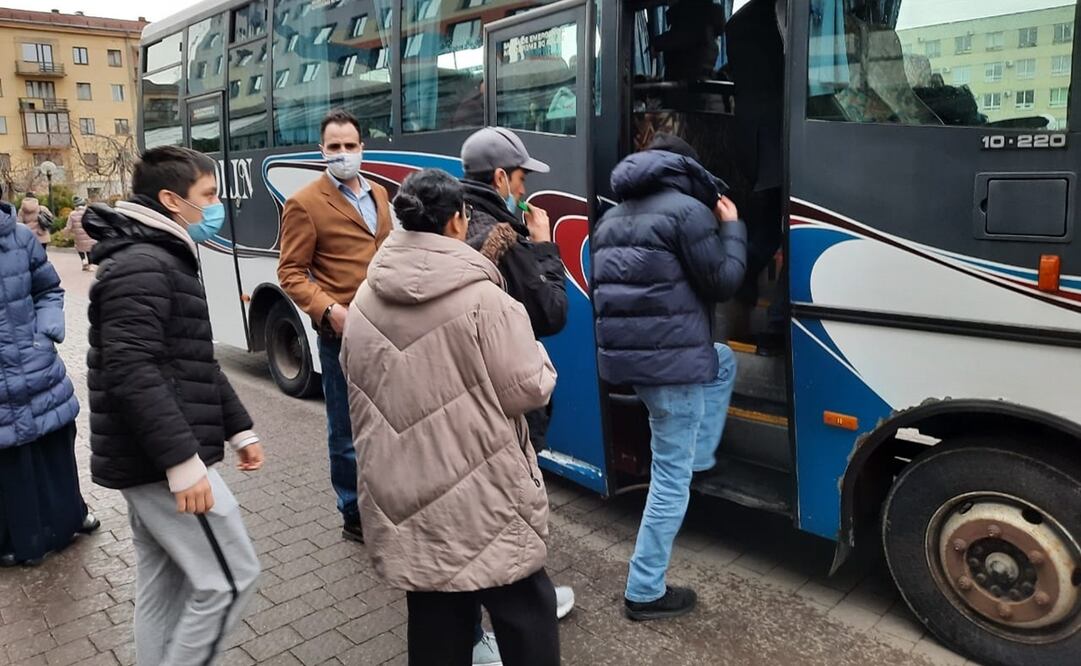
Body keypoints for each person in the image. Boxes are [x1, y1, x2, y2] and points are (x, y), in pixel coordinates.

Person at [341, 169, 559, 666]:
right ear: (459, 221)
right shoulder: (487, 300)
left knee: (436, 616)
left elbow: (356, 377)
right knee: (526, 610)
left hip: (403, 491)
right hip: (482, 492)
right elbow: (528, 388)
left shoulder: (364, 299)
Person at [83, 146, 264, 664]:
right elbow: (131, 370)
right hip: (164, 463)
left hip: (155, 459)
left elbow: (191, 360)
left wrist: (240, 429)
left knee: (165, 587)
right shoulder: (145, 265)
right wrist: (183, 464)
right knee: (230, 578)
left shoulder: (157, 257)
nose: (215, 207)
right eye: (207, 197)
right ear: (170, 199)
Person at [592, 134, 746, 621]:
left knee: (722, 359)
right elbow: (723, 281)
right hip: (672, 372)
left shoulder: (611, 218)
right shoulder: (688, 212)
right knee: (669, 480)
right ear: (685, 169)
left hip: (635, 365)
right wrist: (733, 227)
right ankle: (644, 590)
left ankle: (699, 454)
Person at [459, 127, 575, 664]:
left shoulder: (453, 224)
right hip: (501, 403)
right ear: (501, 178)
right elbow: (550, 312)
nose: (524, 188)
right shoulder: (502, 236)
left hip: (462, 401)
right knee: (510, 514)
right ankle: (516, 617)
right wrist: (545, 243)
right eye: (522, 177)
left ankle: (490, 621)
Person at [278, 109, 393, 543]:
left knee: (386, 423)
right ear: (322, 151)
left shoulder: (380, 194)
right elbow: (290, 272)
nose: (343, 153)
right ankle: (352, 511)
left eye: (350, 146)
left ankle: (385, 501)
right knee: (346, 431)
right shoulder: (305, 203)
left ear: (362, 148)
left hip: (385, 329)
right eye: (335, 147)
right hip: (340, 334)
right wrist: (329, 311)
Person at [0, 184, 98, 568]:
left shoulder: (20, 238)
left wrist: (45, 334)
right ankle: (20, 540)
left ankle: (70, 519)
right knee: (10, 462)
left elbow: (48, 290)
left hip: (36, 367)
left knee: (55, 447)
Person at [65, 196, 95, 270]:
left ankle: (83, 260)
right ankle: (90, 265)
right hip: (89, 234)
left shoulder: (72, 214)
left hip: (78, 235)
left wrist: (66, 235)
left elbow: (69, 226)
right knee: (89, 249)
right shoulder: (88, 212)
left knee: (80, 248)